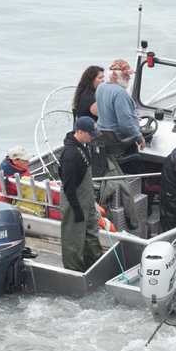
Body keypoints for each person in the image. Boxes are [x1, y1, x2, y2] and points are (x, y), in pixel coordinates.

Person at [59, 116, 102, 271]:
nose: (92, 137)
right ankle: (74, 271)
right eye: (90, 134)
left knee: (92, 232)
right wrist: (77, 209)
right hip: (74, 202)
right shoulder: (70, 155)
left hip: (87, 201)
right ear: (80, 131)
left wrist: (91, 203)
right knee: (73, 239)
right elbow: (68, 187)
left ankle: (95, 264)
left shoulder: (83, 145)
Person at [96, 59, 145, 167]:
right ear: (115, 75)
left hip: (105, 139)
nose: (129, 77)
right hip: (119, 143)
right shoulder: (120, 93)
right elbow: (125, 124)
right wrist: (139, 136)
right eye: (125, 75)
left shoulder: (101, 87)